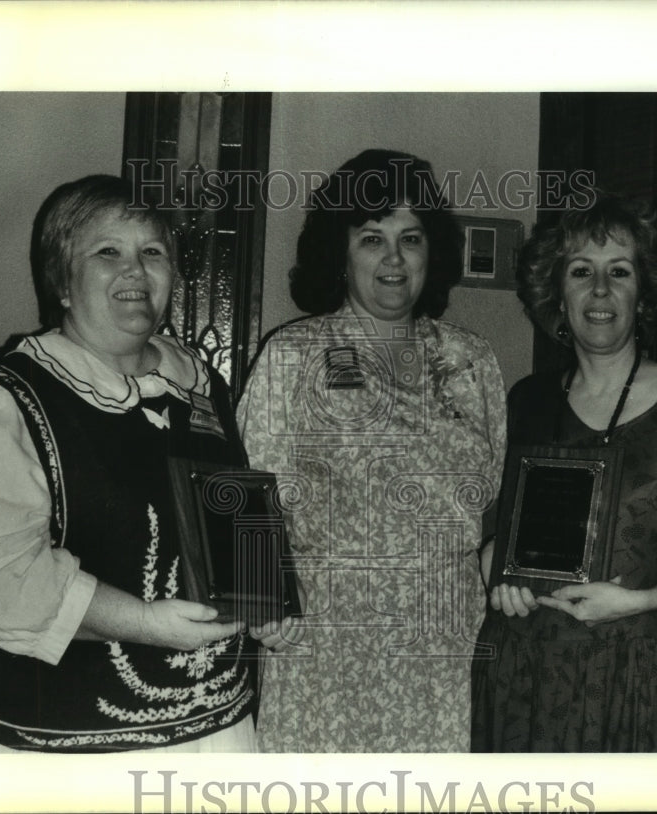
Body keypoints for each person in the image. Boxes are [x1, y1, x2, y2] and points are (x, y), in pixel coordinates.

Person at [0, 174, 256, 752]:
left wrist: (263, 594)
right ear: (61, 280)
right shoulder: (5, 400)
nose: (135, 271)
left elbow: (230, 524)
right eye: (108, 252)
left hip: (214, 733)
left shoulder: (203, 388)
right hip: (66, 746)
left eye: (152, 252)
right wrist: (146, 624)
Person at [237, 149, 507, 752]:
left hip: (445, 645)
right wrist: (261, 603)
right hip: (324, 645)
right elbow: (244, 499)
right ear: (340, 251)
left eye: (410, 237)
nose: (393, 258)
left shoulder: (473, 361)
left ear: (431, 250)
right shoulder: (293, 354)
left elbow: (490, 505)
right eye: (371, 238)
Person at [471, 191, 657, 752]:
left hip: (637, 678)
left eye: (618, 272)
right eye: (581, 271)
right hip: (524, 672)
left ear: (642, 292)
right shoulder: (525, 402)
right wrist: (495, 570)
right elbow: (495, 525)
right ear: (557, 290)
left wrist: (640, 601)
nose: (600, 290)